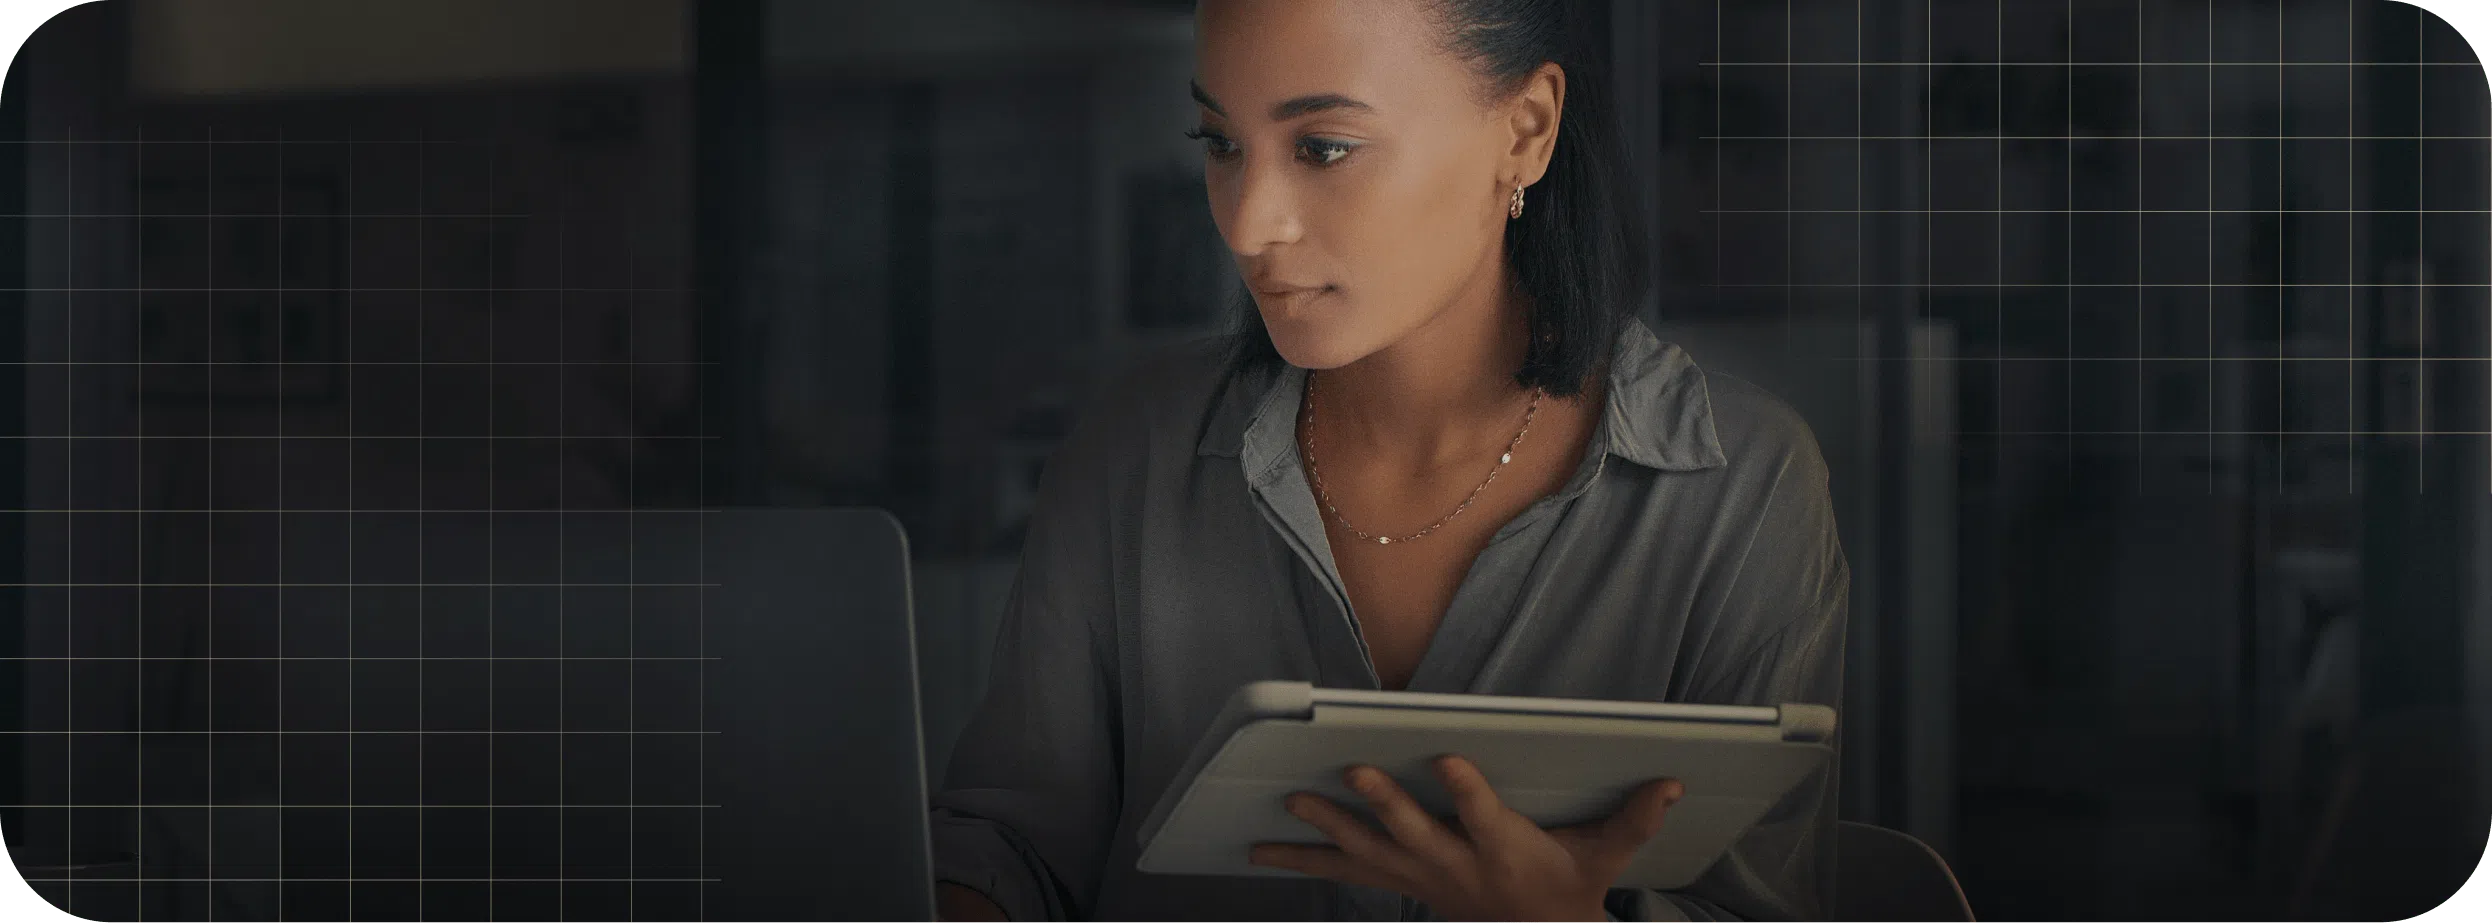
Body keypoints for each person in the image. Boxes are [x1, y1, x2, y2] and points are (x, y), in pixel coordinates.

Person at [930, 0, 1847, 919]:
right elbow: (1009, 853)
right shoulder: (1134, 455)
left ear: (1525, 133)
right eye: (1219, 143)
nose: (1249, 226)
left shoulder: (1738, 490)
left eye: (1324, 147)